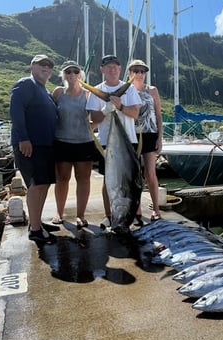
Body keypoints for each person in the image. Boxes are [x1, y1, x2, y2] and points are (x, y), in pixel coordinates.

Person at [86, 54, 141, 229]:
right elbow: (93, 119)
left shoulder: (130, 89)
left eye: (115, 67)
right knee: (108, 181)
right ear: (102, 69)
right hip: (107, 143)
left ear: (120, 69)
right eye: (108, 66)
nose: (112, 69)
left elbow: (135, 113)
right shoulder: (97, 90)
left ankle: (130, 214)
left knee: (132, 181)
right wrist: (105, 109)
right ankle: (109, 215)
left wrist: (120, 107)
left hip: (128, 141)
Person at [10, 54, 59, 244]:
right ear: (32, 66)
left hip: (46, 145)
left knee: (44, 184)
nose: (45, 68)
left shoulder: (45, 91)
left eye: (49, 66)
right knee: (35, 184)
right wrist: (23, 138)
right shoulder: (25, 84)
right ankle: (36, 230)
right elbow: (16, 110)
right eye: (41, 64)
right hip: (31, 144)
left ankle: (36, 222)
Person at [52, 61, 95, 229]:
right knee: (62, 179)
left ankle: (80, 215)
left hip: (84, 142)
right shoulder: (57, 92)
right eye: (68, 71)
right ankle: (59, 212)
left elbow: (97, 117)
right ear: (63, 75)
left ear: (80, 74)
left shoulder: (88, 94)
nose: (71, 74)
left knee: (83, 179)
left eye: (75, 71)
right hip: (62, 142)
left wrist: (91, 127)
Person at [128, 59, 163, 223]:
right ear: (130, 73)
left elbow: (158, 115)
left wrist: (159, 138)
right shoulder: (126, 90)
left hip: (149, 134)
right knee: (135, 176)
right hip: (132, 136)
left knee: (150, 173)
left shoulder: (152, 90)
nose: (140, 74)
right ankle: (137, 210)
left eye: (142, 71)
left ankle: (156, 209)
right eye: (136, 70)